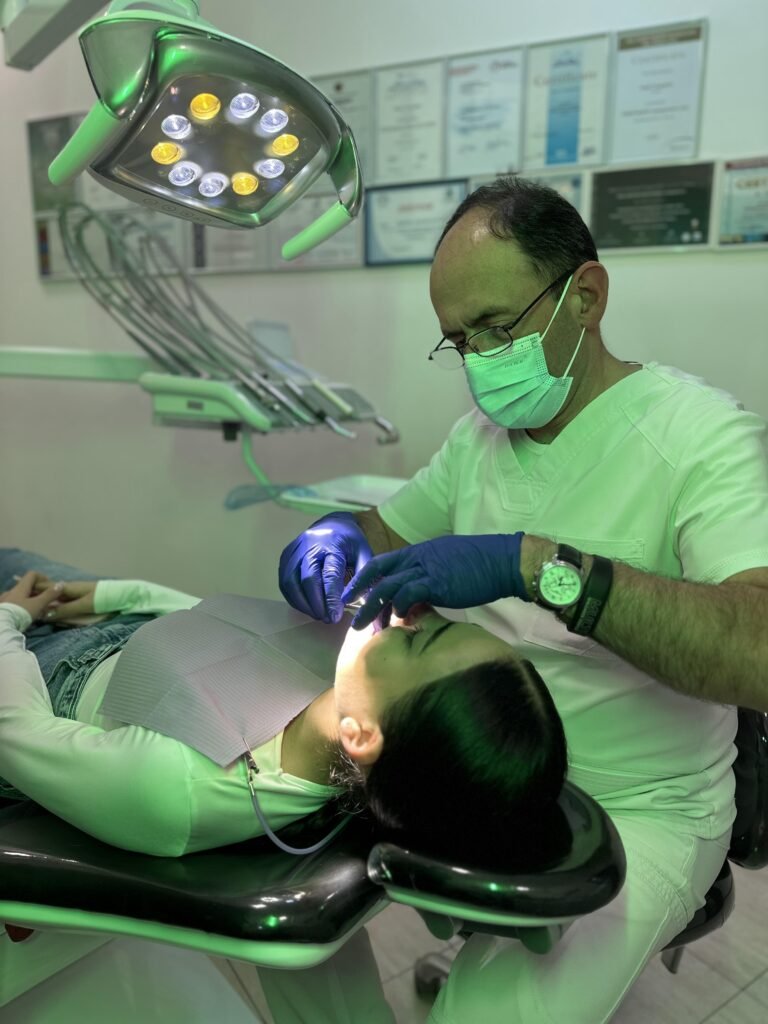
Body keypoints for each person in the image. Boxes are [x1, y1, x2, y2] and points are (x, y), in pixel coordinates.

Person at [272, 176, 768, 1023]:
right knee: (284, 906)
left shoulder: (700, 438)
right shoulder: (480, 443)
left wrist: (538, 566)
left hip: (639, 804)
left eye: (497, 327)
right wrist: (329, 542)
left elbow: (758, 653)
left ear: (586, 296)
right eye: (460, 341)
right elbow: (383, 532)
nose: (480, 359)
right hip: (477, 771)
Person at [0, 548, 567, 868]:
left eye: (420, 637)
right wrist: (115, 597)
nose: (414, 606)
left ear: (362, 736)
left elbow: (12, 729)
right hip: (109, 621)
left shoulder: (177, 788)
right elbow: (208, 635)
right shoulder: (345, 683)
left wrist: (10, 618)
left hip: (34, 676)